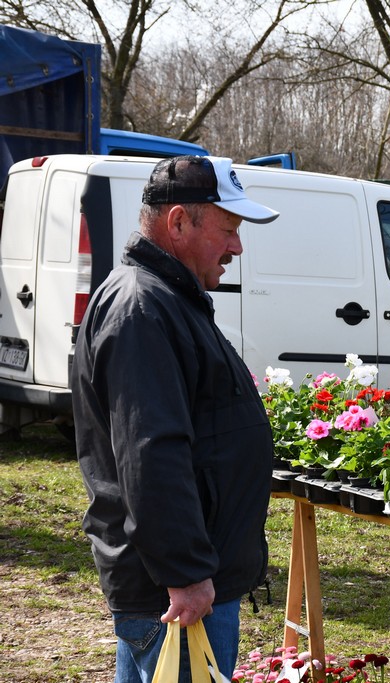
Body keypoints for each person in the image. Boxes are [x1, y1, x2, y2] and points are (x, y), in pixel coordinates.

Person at [71, 155, 280, 681]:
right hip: (175, 595)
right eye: (229, 230)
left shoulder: (168, 299)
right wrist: (185, 573)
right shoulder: (143, 308)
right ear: (179, 221)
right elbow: (152, 454)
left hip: (180, 586)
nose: (237, 247)